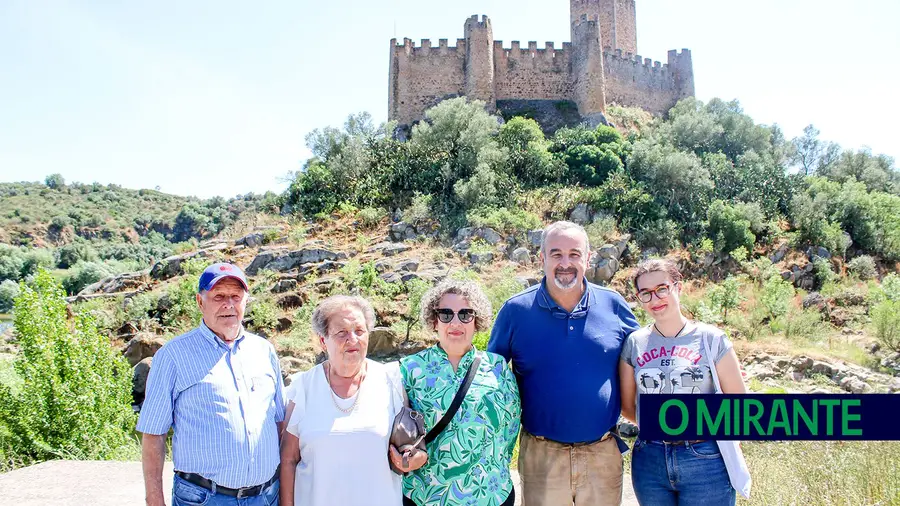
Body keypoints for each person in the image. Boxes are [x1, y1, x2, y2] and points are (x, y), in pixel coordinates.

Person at [488, 221, 640, 506]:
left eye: (574, 254)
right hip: (541, 456)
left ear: (588, 257)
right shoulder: (515, 311)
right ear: (542, 258)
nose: (566, 263)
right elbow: (488, 379)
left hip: (602, 454)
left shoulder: (614, 305)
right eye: (556, 254)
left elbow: (646, 360)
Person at [138, 262, 285, 506]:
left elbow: (280, 423)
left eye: (235, 296)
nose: (229, 304)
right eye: (218, 296)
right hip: (204, 498)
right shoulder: (174, 355)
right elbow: (154, 433)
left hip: (266, 496)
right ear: (200, 302)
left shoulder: (264, 351)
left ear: (245, 301)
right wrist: (154, 500)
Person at [619, 258, 747, 505]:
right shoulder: (635, 343)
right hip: (650, 458)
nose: (655, 300)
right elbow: (628, 407)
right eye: (645, 293)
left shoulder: (711, 339)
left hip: (705, 458)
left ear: (678, 287)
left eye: (662, 289)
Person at [398, 280, 521, 506]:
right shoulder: (409, 369)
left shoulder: (498, 367)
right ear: (434, 321)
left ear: (477, 321)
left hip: (490, 494)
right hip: (427, 496)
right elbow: (398, 432)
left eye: (465, 314)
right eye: (446, 314)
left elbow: (510, 427)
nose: (455, 322)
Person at [279, 295, 411, 506]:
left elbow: (411, 448)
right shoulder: (303, 387)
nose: (353, 339)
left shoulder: (391, 380)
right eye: (342, 333)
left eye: (360, 331)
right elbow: (288, 460)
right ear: (323, 341)